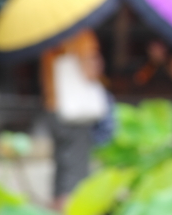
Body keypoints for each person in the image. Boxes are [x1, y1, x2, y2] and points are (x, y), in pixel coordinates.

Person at [40, 28, 108, 211]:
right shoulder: (82, 35)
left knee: (62, 166)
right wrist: (97, 62)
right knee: (76, 171)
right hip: (75, 114)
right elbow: (89, 72)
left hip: (53, 109)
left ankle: (57, 207)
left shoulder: (50, 37)